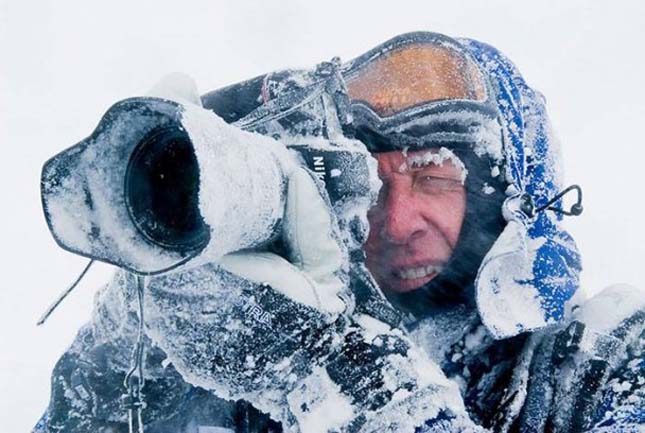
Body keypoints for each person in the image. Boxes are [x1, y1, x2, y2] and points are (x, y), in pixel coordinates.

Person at [34, 32, 643, 433]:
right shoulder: (248, 359)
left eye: (433, 178)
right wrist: (136, 337)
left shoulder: (606, 362)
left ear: (509, 200)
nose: (397, 222)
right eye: (375, 186)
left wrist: (329, 368)